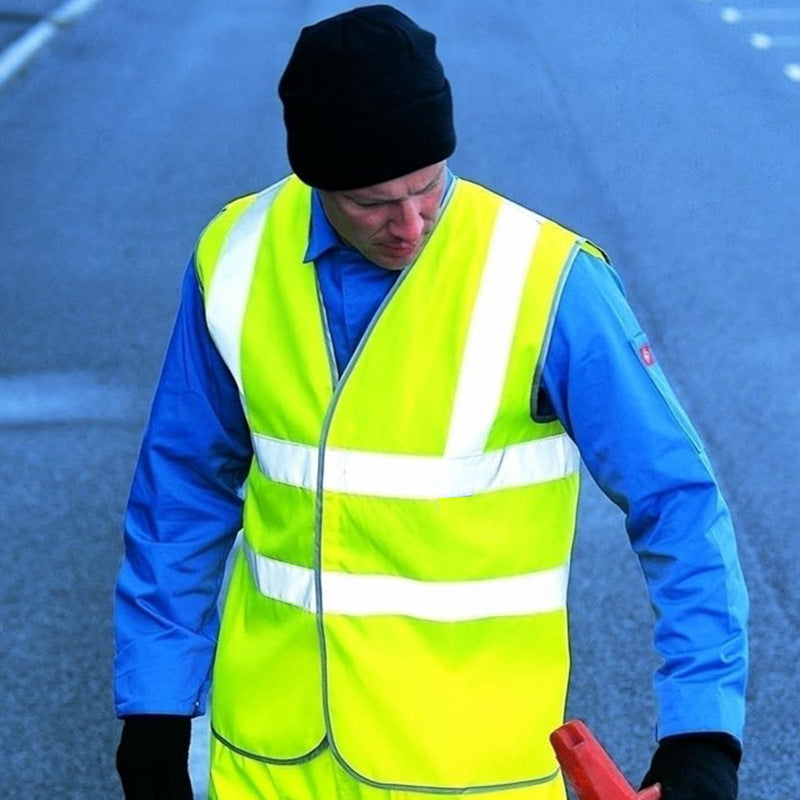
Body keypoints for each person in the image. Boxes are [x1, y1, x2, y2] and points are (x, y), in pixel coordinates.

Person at [113, 5, 748, 800]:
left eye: (427, 186)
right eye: (373, 201)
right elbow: (180, 494)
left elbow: (678, 500)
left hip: (468, 775)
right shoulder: (234, 257)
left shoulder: (547, 280)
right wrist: (155, 713)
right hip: (268, 766)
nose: (410, 224)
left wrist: (701, 735)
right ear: (316, 179)